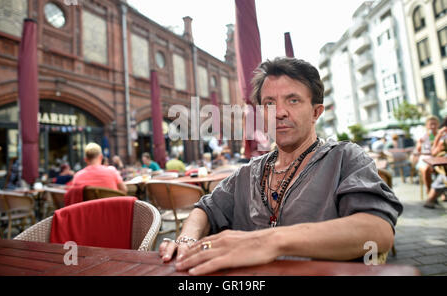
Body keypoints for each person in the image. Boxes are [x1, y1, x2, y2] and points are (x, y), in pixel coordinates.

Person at [158, 57, 403, 275]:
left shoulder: (344, 158)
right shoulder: (248, 172)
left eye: (293, 100)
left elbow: (378, 230)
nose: (280, 112)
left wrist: (268, 241)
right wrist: (187, 239)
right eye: (269, 104)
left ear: (316, 112)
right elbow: (206, 209)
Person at [415, 116, 440, 195]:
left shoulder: (441, 134)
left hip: (437, 158)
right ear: (427, 126)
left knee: (441, 169)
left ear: (438, 125)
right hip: (424, 158)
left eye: (434, 124)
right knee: (426, 169)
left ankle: (439, 192)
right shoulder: (424, 135)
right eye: (431, 124)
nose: (433, 126)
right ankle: (429, 191)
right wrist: (420, 143)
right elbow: (418, 149)